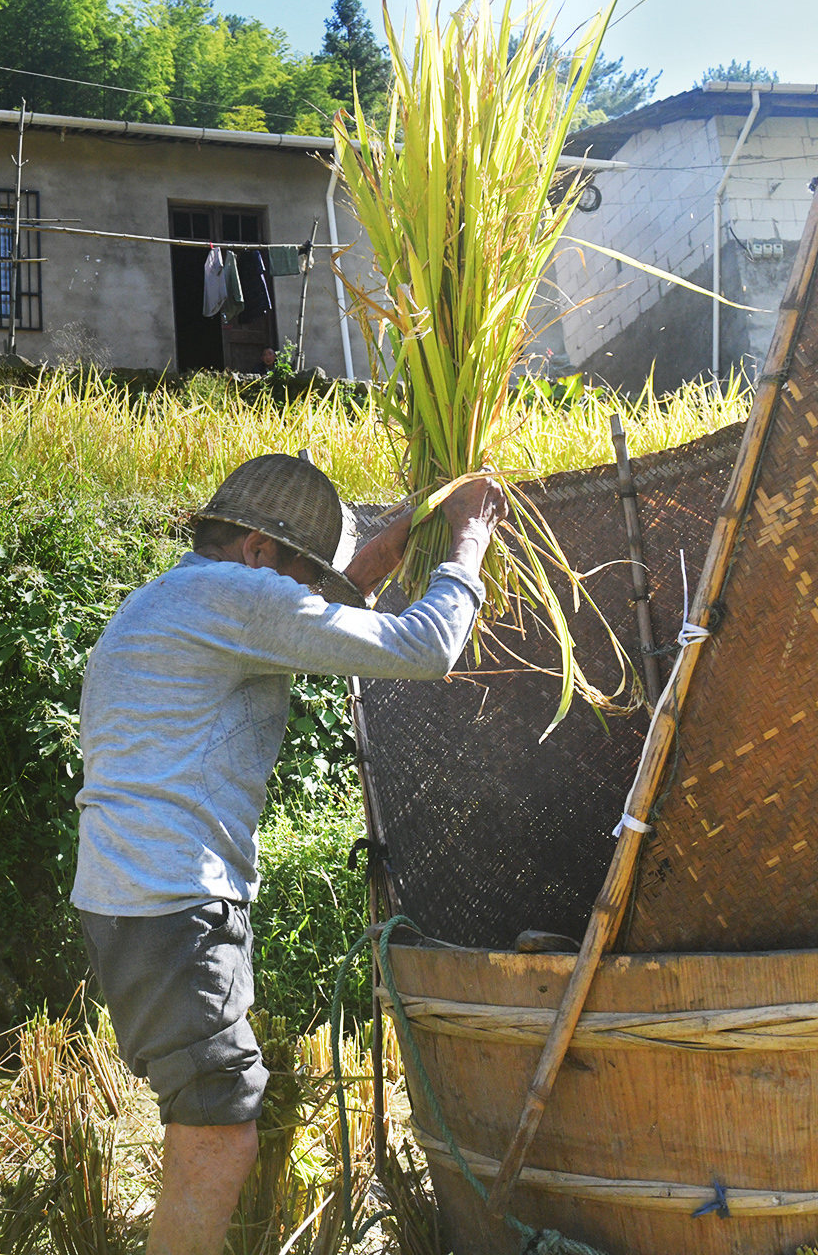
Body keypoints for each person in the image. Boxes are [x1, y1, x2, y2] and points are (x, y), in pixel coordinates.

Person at [72, 453, 505, 1255]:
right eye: (304, 574)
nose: (307, 597)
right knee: (218, 1127)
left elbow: (336, 607)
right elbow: (421, 648)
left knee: (208, 1111)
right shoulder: (234, 596)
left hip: (133, 895)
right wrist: (467, 542)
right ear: (259, 552)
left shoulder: (182, 596)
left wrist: (413, 519)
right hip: (172, 902)